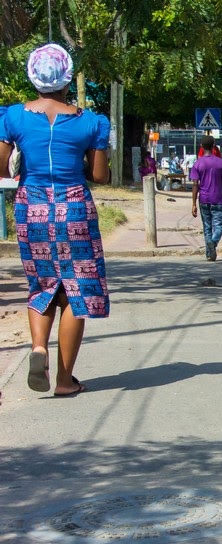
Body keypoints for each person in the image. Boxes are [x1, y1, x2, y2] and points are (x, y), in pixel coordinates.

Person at [0, 43, 110, 397]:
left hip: (31, 207)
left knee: (42, 284)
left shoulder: (13, 117)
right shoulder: (91, 122)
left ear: (33, 76)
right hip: (74, 206)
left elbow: (0, 167)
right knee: (75, 293)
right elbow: (100, 175)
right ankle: (64, 381)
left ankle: (38, 348)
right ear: (67, 78)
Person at [190, 135, 222, 261]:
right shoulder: (221, 163)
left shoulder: (197, 164)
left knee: (207, 227)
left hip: (203, 199)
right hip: (217, 198)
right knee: (219, 225)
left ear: (201, 146)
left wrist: (193, 204)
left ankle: (209, 253)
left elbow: (195, 185)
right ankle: (213, 242)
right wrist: (220, 193)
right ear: (213, 146)